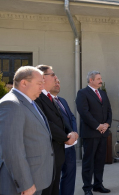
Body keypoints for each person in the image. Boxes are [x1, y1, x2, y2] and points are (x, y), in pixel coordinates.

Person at [0, 66, 53, 195]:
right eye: (39, 83)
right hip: (23, 186)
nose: (42, 87)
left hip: (35, 178)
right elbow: (13, 150)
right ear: (24, 83)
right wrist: (25, 184)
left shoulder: (29, 102)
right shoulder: (12, 105)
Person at [35, 65, 78, 195]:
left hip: (59, 151)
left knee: (55, 186)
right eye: (53, 75)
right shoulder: (36, 97)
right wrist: (66, 138)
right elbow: (46, 123)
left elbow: (64, 119)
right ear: (43, 78)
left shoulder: (51, 98)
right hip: (49, 152)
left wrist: (72, 132)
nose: (56, 78)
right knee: (48, 189)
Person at [76, 71, 112, 195]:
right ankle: (87, 188)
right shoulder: (82, 93)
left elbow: (108, 110)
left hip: (103, 133)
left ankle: (98, 184)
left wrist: (107, 124)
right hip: (90, 133)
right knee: (88, 162)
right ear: (91, 80)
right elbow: (84, 112)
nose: (101, 81)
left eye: (101, 78)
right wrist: (98, 126)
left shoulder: (103, 93)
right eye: (98, 79)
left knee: (100, 161)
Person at [50, 79, 78, 195]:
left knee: (70, 175)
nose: (58, 84)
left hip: (70, 145)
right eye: (55, 82)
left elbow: (72, 117)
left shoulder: (62, 100)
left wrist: (74, 133)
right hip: (58, 145)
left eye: (59, 83)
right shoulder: (44, 101)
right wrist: (65, 138)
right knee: (54, 179)